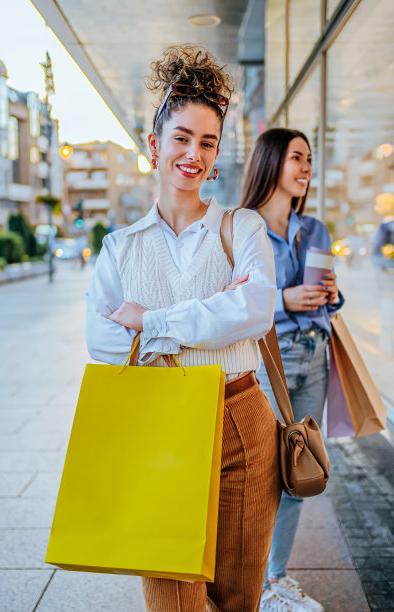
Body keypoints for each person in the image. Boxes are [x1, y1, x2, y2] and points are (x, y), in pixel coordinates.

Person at [85, 46, 281, 611]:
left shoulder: (241, 227)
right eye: (182, 137)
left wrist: (152, 321)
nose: (194, 153)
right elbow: (104, 343)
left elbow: (254, 310)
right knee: (174, 598)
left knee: (239, 597)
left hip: (240, 416)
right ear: (154, 145)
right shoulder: (120, 248)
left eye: (208, 141)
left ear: (218, 153)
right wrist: (209, 315)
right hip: (157, 424)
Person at [240, 127, 344, 612]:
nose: (306, 168)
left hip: (315, 356)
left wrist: (329, 295)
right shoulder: (243, 228)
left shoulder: (315, 229)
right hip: (269, 364)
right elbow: (236, 303)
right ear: (271, 163)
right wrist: (284, 300)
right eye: (296, 158)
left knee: (300, 471)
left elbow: (328, 297)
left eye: (309, 159)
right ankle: (252, 582)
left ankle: (276, 580)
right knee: (261, 479)